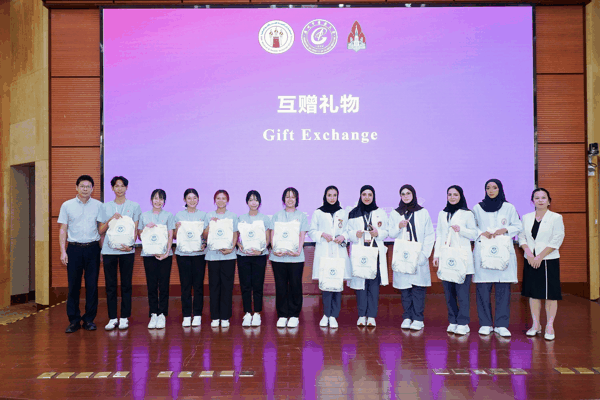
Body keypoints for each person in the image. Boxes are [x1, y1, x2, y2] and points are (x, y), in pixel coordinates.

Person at [472, 179, 523, 337]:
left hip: (502, 253)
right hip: (484, 252)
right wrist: (481, 232)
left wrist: (504, 229)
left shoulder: (509, 207)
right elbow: (472, 227)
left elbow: (518, 226)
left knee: (503, 290)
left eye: (494, 187)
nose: (491, 190)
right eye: (488, 188)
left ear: (500, 189)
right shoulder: (477, 208)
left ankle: (501, 325)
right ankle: (485, 323)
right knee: (483, 290)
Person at [518, 188, 565, 340]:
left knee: (550, 294)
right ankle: (536, 324)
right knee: (533, 294)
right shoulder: (526, 217)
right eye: (537, 198)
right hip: (531, 259)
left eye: (543, 198)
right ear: (532, 201)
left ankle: (550, 326)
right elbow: (522, 237)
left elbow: (557, 239)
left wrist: (540, 256)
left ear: (549, 201)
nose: (540, 200)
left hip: (548, 260)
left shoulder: (556, 217)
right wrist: (530, 254)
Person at [58, 175, 102, 333]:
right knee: (73, 286)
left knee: (92, 286)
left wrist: (102, 251)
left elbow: (101, 230)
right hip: (74, 249)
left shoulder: (98, 205)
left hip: (93, 248)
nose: (85, 189)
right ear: (76, 187)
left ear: (92, 189)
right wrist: (63, 251)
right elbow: (63, 229)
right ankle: (74, 320)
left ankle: (89, 319)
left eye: (88, 186)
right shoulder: (67, 205)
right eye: (82, 186)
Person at [97, 176, 141, 331]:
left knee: (126, 284)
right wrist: (111, 219)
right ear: (112, 188)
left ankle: (124, 317)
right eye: (117, 186)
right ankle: (112, 318)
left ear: (127, 188)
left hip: (127, 251)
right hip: (109, 251)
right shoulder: (105, 207)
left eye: (122, 186)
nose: (120, 189)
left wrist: (131, 245)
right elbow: (100, 230)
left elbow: (135, 229)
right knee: (110, 285)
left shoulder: (134, 206)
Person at [389, 184, 435, 331]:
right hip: (403, 255)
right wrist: (399, 226)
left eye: (408, 193)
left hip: (418, 254)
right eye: (403, 194)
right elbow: (391, 233)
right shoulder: (395, 213)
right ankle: (407, 317)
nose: (406, 196)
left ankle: (418, 318)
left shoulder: (423, 212)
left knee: (418, 288)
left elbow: (429, 235)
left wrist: (424, 254)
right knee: (405, 289)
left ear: (413, 195)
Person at [432, 185, 477, 335]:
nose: (452, 197)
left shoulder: (467, 213)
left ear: (461, 196)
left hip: (462, 258)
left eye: (455, 195)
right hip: (446, 257)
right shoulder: (442, 213)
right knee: (449, 292)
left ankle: (463, 323)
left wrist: (461, 230)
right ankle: (453, 320)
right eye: (449, 194)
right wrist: (436, 255)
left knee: (462, 293)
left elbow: (474, 234)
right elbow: (439, 235)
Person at [309, 186, 352, 329]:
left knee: (337, 285)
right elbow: (312, 231)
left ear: (338, 196)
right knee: (326, 285)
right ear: (325, 196)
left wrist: (343, 236)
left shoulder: (343, 212)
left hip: (339, 252)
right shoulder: (318, 212)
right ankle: (326, 314)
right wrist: (322, 234)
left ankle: (334, 316)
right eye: (329, 195)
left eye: (334, 195)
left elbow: (348, 230)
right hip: (324, 252)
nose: (332, 198)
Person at [347, 185, 389, 327]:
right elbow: (348, 232)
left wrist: (378, 233)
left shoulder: (380, 213)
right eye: (364, 194)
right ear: (360, 196)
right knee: (361, 285)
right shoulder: (353, 213)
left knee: (373, 286)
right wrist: (355, 234)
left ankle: (371, 316)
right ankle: (361, 315)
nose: (366, 197)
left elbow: (386, 231)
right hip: (360, 252)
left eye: (369, 195)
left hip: (375, 253)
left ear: (373, 196)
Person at [270, 187, 310, 328]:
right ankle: (282, 315)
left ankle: (294, 315)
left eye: (293, 197)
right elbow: (273, 234)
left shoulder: (302, 216)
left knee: (295, 285)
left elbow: (302, 235)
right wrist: (275, 249)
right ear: (283, 199)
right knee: (280, 286)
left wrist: (298, 251)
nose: (290, 199)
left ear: (297, 199)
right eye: (287, 197)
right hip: (278, 258)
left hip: (296, 258)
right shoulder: (277, 216)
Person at [138, 189, 175, 330]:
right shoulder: (144, 216)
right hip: (149, 255)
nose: (158, 201)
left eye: (161, 198)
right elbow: (140, 235)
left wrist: (167, 252)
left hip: (165, 255)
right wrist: (145, 229)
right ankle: (153, 313)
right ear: (151, 200)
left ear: (164, 201)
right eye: (155, 198)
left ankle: (162, 314)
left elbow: (170, 235)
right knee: (151, 285)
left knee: (164, 285)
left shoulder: (168, 215)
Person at [237, 190, 272, 327]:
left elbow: (268, 238)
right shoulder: (241, 218)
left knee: (257, 285)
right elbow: (236, 237)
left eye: (256, 200)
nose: (253, 202)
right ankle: (247, 313)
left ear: (259, 202)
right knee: (245, 285)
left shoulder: (265, 218)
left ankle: (257, 313)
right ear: (247, 202)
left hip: (259, 256)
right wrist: (239, 245)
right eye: (251, 200)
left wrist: (261, 249)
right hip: (243, 256)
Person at [204, 190, 238, 328]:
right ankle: (214, 316)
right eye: (218, 198)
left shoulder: (232, 216)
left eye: (224, 198)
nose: (221, 201)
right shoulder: (209, 215)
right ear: (214, 200)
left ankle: (225, 316)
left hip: (228, 256)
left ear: (227, 201)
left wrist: (232, 248)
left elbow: (235, 234)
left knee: (227, 287)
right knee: (214, 286)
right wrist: (210, 225)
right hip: (213, 256)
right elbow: (204, 235)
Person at [174, 188, 208, 327]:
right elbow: (174, 235)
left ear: (198, 199)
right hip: (183, 255)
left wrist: (204, 243)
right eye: (189, 198)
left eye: (194, 198)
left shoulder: (204, 215)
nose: (192, 201)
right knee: (185, 286)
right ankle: (187, 315)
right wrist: (177, 229)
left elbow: (205, 235)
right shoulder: (178, 215)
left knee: (198, 286)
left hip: (199, 255)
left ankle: (198, 315)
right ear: (184, 200)